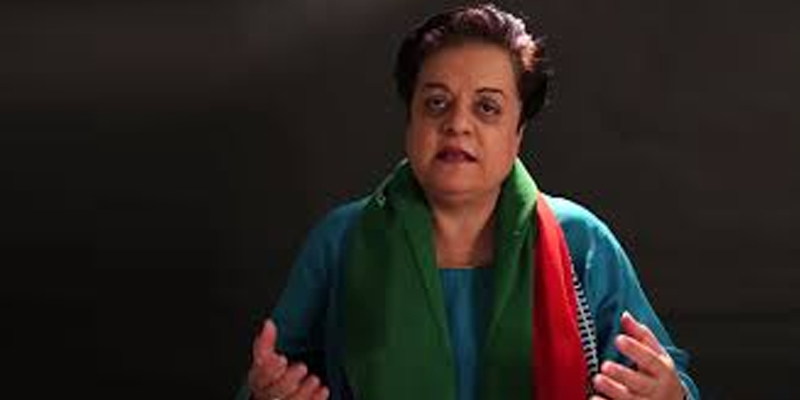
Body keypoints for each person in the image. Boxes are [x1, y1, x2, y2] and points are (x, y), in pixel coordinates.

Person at [237, 3, 700, 400]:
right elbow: (272, 381)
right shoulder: (343, 239)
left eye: (487, 107)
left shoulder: (579, 240)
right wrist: (268, 392)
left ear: (518, 132)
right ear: (410, 120)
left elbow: (669, 380)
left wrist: (667, 392)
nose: (458, 124)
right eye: (437, 103)